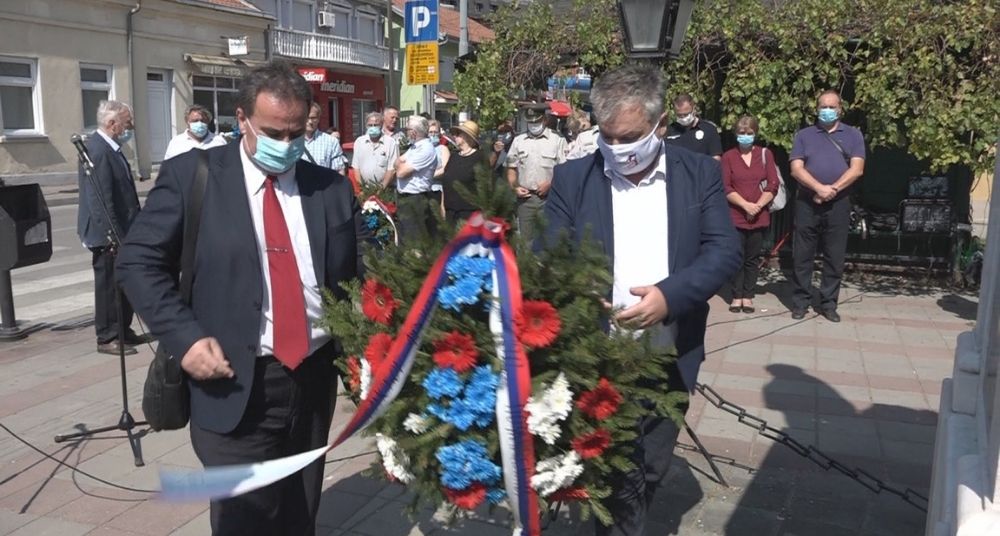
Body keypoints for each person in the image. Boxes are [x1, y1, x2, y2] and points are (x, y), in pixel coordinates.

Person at [116, 60, 365, 536]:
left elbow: (362, 275)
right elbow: (137, 262)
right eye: (274, 132)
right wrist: (186, 339)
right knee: (246, 521)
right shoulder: (194, 176)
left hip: (311, 383)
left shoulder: (329, 189)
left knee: (298, 511)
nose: (287, 146)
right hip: (232, 381)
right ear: (242, 119)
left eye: (297, 134)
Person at [542, 63, 740, 536]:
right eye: (607, 136)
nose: (617, 148)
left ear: (661, 124)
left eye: (629, 136)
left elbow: (723, 251)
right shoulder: (573, 178)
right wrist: (576, 284)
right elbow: (545, 253)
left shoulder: (698, 175)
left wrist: (668, 297)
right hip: (598, 352)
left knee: (650, 464)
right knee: (615, 471)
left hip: (670, 347)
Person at [788, 89, 866, 322]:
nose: (827, 110)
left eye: (832, 107)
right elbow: (796, 168)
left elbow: (857, 169)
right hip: (807, 202)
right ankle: (801, 301)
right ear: (816, 108)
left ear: (840, 109)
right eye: (823, 106)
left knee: (834, 256)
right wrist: (818, 189)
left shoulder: (853, 135)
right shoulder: (804, 135)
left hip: (839, 203)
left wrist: (831, 190)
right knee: (802, 255)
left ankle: (828, 304)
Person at [77, 99, 147, 356]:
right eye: (127, 124)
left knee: (123, 283)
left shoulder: (111, 148)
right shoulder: (97, 150)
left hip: (123, 232)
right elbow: (100, 200)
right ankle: (107, 336)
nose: (131, 128)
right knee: (108, 285)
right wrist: (114, 237)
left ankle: (122, 329)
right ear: (112, 124)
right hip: (107, 235)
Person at [722, 115, 779, 313]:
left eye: (749, 133)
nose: (745, 136)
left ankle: (748, 295)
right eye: (741, 133)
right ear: (736, 134)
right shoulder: (728, 156)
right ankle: (736, 295)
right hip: (736, 215)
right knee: (736, 257)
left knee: (752, 258)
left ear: (755, 134)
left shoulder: (765, 154)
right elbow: (726, 186)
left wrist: (757, 205)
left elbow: (773, 183)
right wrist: (746, 205)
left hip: (759, 215)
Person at [507, 104, 566, 243]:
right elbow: (511, 168)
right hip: (525, 199)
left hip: (549, 198)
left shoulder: (557, 140)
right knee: (526, 242)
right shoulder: (518, 141)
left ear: (544, 120)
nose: (533, 125)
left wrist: (551, 184)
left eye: (536, 121)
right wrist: (514, 187)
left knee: (549, 240)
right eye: (530, 122)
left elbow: (565, 170)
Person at [386, 115, 438, 242]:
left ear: (414, 132)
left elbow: (401, 173)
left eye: (408, 129)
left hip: (416, 199)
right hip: (405, 197)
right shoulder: (414, 147)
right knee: (404, 237)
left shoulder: (426, 149)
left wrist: (400, 165)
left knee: (415, 239)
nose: (406, 132)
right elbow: (397, 161)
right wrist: (400, 164)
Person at [441, 120, 486, 224]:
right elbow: (446, 181)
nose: (454, 136)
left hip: (470, 214)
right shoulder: (454, 156)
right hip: (450, 213)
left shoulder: (479, 157)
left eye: (458, 134)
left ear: (467, 137)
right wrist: (442, 207)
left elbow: (484, 188)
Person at [663, 94, 722, 160]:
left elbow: (715, 159)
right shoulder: (669, 131)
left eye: (686, 114)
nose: (683, 118)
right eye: (679, 115)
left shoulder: (708, 129)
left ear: (693, 108)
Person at [352, 111, 399, 188]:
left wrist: (381, 188)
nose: (373, 127)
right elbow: (356, 167)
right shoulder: (359, 142)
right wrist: (362, 187)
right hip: (365, 189)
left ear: (381, 125)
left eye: (376, 125)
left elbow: (392, 169)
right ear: (366, 126)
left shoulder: (390, 143)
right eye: (370, 125)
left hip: (385, 189)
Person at [302, 102, 346, 172]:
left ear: (319, 119)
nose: (310, 121)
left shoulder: (331, 142)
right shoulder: (291, 140)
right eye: (307, 117)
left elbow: (339, 171)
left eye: (313, 118)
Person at [428, 119, 451, 216]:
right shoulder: (422, 148)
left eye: (435, 132)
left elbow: (445, 169)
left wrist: (428, 175)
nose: (433, 134)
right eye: (430, 132)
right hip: (423, 190)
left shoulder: (443, 149)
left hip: (437, 190)